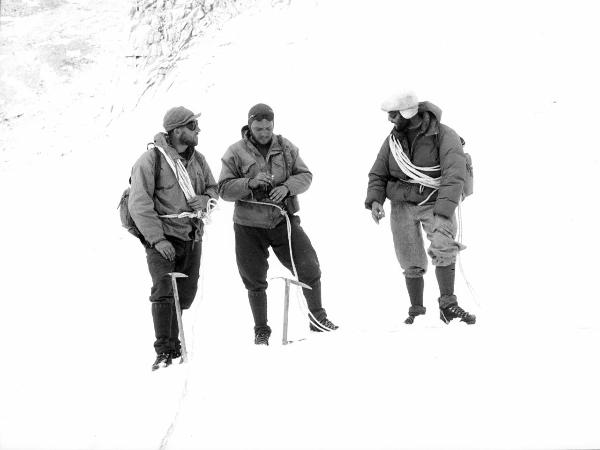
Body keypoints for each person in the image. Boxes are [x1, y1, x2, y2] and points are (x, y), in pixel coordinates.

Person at [218, 103, 338, 345]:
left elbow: (306, 176)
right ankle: (261, 330)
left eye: (268, 127)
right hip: (248, 225)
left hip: (283, 220)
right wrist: (249, 183)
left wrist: (286, 188)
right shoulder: (234, 151)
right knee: (253, 278)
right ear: (249, 125)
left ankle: (318, 318)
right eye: (258, 127)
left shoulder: (286, 147)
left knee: (309, 265)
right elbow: (223, 189)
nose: (264, 132)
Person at [365, 91, 476, 325]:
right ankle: (416, 310)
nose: (390, 120)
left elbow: (454, 174)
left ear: (408, 113)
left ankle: (448, 305)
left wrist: (444, 212)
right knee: (408, 256)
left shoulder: (444, 135)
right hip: (401, 204)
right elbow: (378, 172)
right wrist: (375, 200)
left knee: (444, 246)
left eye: (394, 115)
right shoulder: (393, 141)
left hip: (435, 201)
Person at [129, 106, 218, 370]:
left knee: (186, 295)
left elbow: (213, 189)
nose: (197, 130)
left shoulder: (198, 160)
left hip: (192, 235)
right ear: (177, 130)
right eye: (193, 126)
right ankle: (165, 351)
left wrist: (204, 199)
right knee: (164, 290)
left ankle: (174, 344)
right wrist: (158, 240)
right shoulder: (150, 161)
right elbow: (139, 204)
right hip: (162, 236)